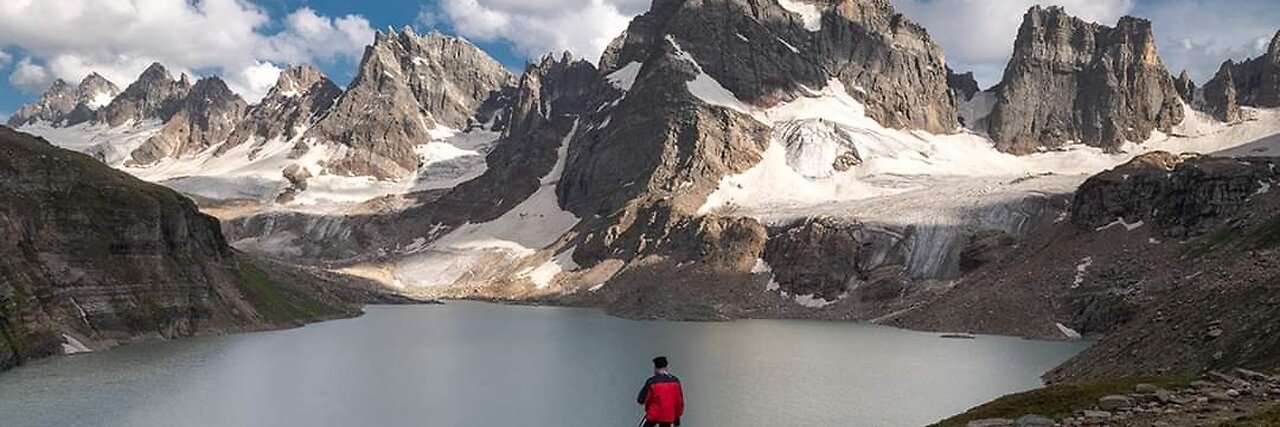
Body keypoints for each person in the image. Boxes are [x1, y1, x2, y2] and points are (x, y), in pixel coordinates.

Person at [636, 356, 684, 427]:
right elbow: (679, 402)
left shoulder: (652, 382)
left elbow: (641, 400)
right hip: (669, 416)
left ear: (655, 368)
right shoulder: (676, 381)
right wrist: (677, 418)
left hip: (653, 415)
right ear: (666, 367)